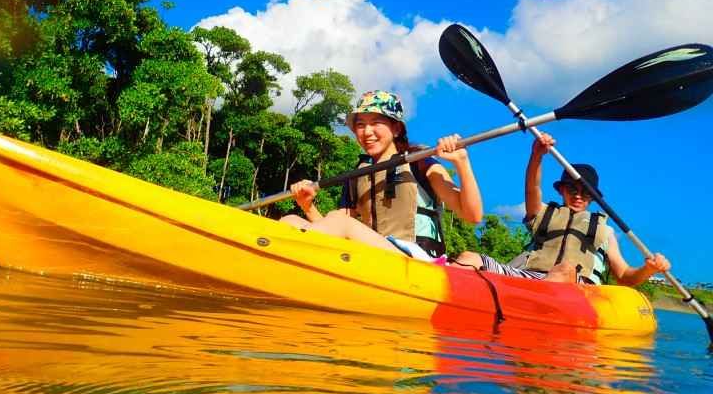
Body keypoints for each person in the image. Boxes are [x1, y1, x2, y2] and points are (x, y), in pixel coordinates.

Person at [281, 90, 483, 260]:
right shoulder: (358, 174)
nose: (367, 132)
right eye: (360, 125)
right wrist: (307, 206)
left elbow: (472, 215)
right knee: (291, 221)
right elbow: (328, 232)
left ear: (396, 128)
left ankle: (281, 253)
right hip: (376, 258)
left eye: (376, 122)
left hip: (417, 260)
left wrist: (462, 163)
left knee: (340, 221)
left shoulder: (420, 161)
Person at [453, 132, 671, 285]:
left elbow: (623, 275)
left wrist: (649, 269)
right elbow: (532, 188)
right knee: (469, 256)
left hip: (572, 286)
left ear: (593, 198)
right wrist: (537, 155)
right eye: (572, 189)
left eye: (585, 192)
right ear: (561, 190)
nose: (578, 195)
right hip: (527, 278)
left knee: (565, 268)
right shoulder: (544, 212)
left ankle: (532, 304)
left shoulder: (606, 231)